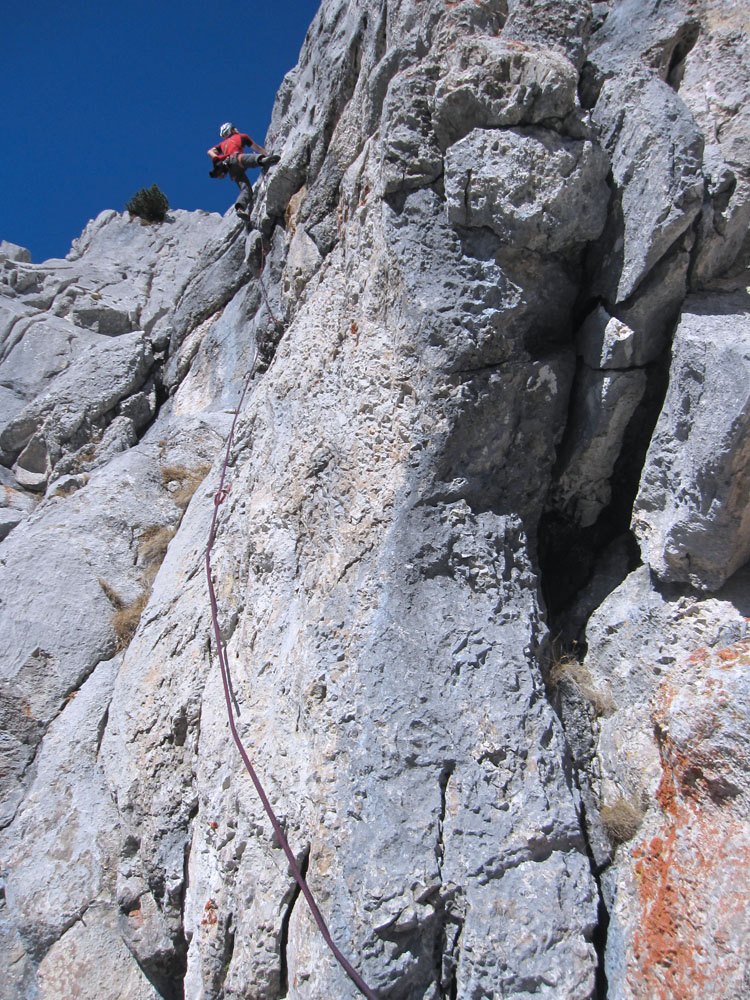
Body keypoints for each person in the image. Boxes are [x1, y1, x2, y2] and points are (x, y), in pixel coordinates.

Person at [207, 123, 280, 219]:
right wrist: (266, 154)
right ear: (231, 130)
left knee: (246, 189)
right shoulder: (242, 136)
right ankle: (263, 160)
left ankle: (240, 208)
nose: (236, 129)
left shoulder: (223, 144)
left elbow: (209, 152)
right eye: (234, 128)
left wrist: (220, 158)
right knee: (250, 158)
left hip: (231, 170)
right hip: (236, 158)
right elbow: (256, 148)